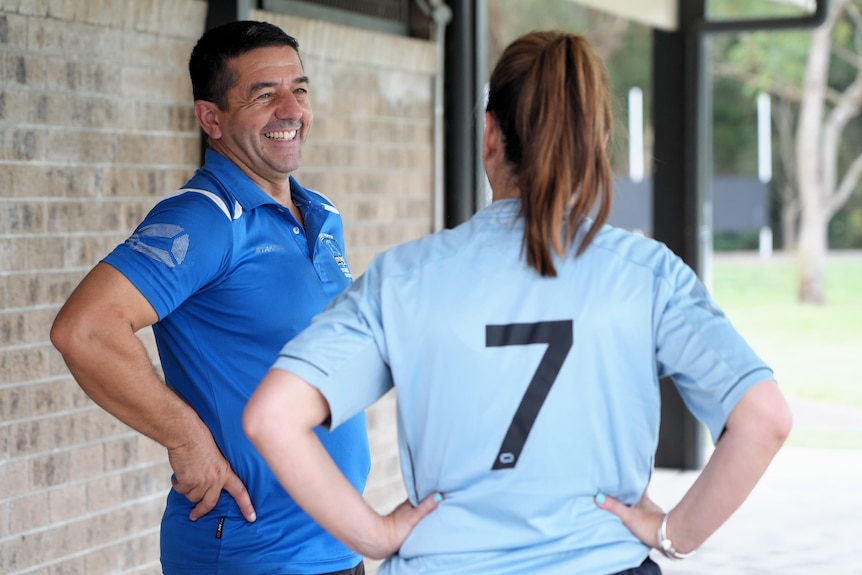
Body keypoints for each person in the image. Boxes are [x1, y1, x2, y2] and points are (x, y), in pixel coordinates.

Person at [243, 30, 792, 575]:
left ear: (488, 136)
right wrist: (676, 533)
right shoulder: (647, 275)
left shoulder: (405, 278)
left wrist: (374, 533)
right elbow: (763, 416)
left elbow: (274, 417)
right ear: (597, 143)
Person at [50, 20, 370, 575]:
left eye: (299, 88)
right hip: (251, 552)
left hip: (332, 545)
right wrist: (186, 439)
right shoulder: (207, 216)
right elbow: (85, 330)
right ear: (211, 118)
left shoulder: (321, 215)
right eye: (264, 95)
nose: (291, 109)